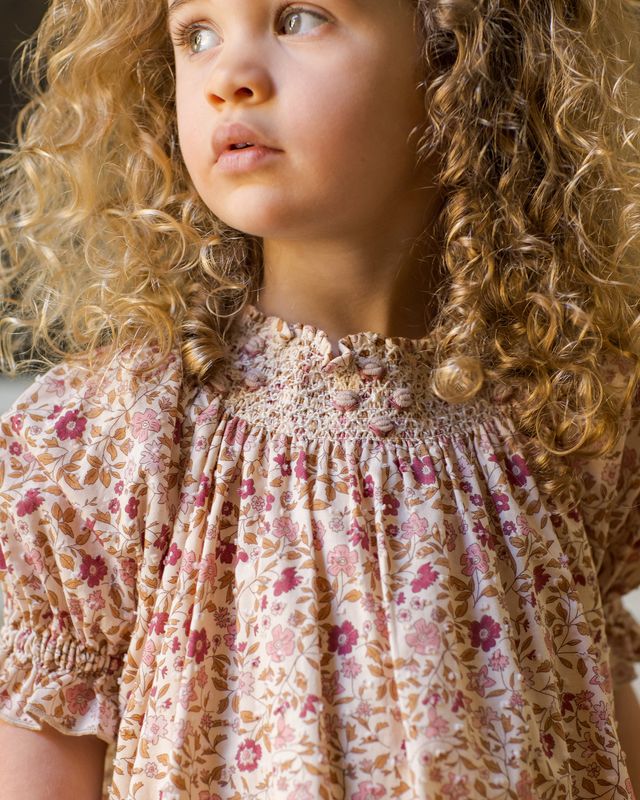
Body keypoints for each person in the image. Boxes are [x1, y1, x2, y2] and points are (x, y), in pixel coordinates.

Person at [0, 0, 639, 798]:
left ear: (463, 53)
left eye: (299, 17)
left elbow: (596, 731)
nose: (228, 77)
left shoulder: (570, 410)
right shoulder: (106, 441)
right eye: (197, 34)